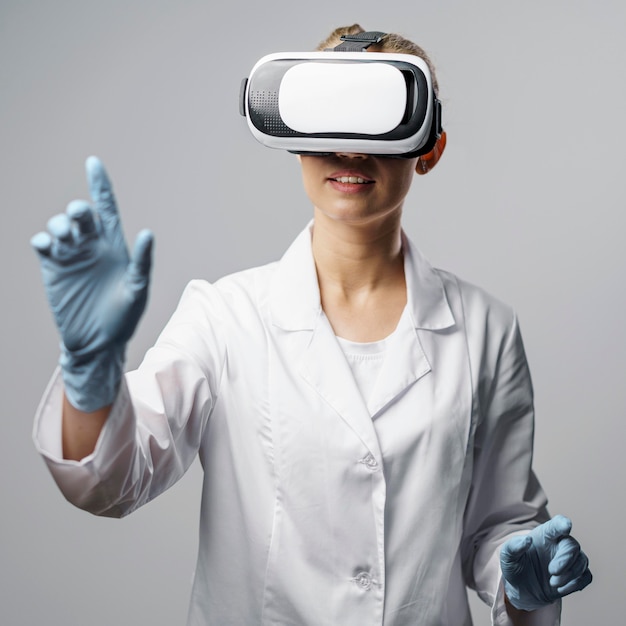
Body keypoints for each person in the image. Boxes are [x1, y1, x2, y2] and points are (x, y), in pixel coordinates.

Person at [31, 24, 591, 626]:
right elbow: (113, 481)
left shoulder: (487, 330)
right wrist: (89, 368)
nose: (350, 149)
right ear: (294, 133)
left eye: (378, 117)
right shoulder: (226, 316)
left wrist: (524, 582)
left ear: (430, 148)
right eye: (329, 116)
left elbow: (496, 528)